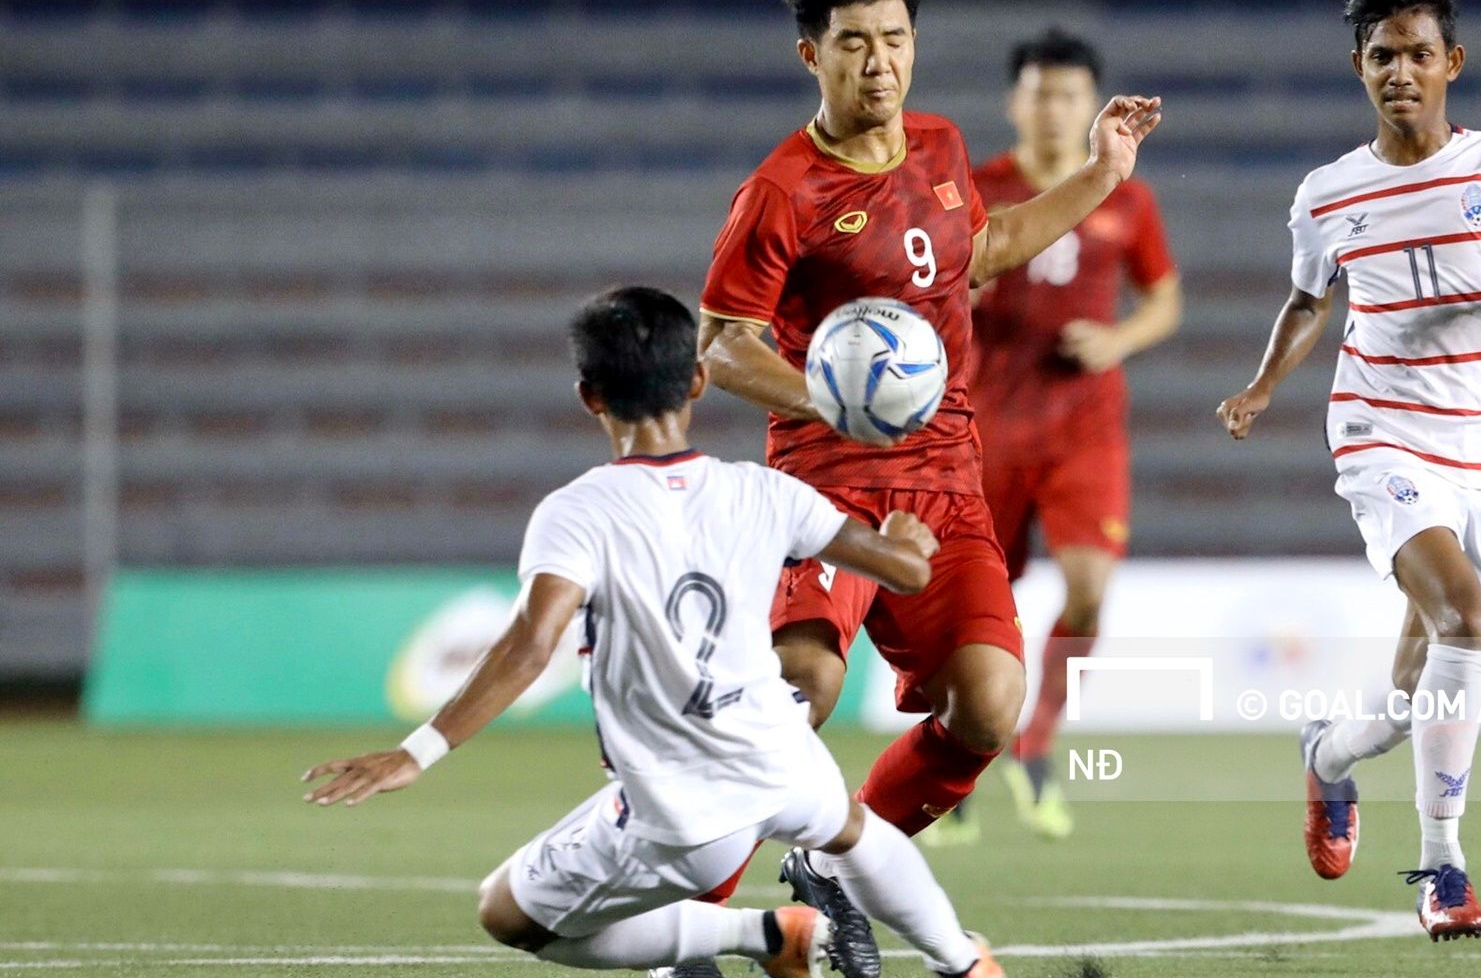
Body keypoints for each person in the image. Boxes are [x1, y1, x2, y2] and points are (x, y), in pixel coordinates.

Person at [695, 0, 1161, 977]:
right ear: (809, 54)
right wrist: (829, 399)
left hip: (948, 482)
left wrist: (1102, 173)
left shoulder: (944, 148)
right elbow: (723, 345)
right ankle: (692, 921)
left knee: (987, 708)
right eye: (852, 43)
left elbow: (984, 251)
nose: (879, 64)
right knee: (799, 687)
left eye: (895, 40)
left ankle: (836, 868)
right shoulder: (781, 191)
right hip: (827, 481)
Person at [302, 287, 1006, 978]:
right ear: (699, 380)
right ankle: (964, 961)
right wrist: (906, 536)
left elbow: (529, 644)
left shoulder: (578, 512)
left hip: (680, 805)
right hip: (783, 754)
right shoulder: (765, 491)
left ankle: (763, 934)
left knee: (507, 914)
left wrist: (416, 752)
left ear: (590, 396)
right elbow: (906, 573)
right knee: (853, 832)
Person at [1215, 0, 1481, 942]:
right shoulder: (1327, 195)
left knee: (1413, 696)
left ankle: (1327, 756)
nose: (1398, 72)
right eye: (1380, 57)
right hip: (1381, 435)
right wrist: (1264, 385)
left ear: (1452, 63)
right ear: (1358, 70)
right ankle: (1442, 867)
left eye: (1415, 54)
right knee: (1467, 615)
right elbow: (1307, 299)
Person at [927, 28, 1182, 846]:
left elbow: (1164, 300)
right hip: (988, 423)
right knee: (968, 603)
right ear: (1015, 102)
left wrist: (1117, 341)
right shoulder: (979, 188)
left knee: (1089, 589)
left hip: (1084, 426)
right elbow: (939, 282)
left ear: (1090, 104)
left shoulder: (1129, 197)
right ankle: (952, 760)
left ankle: (1034, 741)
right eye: (1038, 93)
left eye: (1069, 94)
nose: (1052, 108)